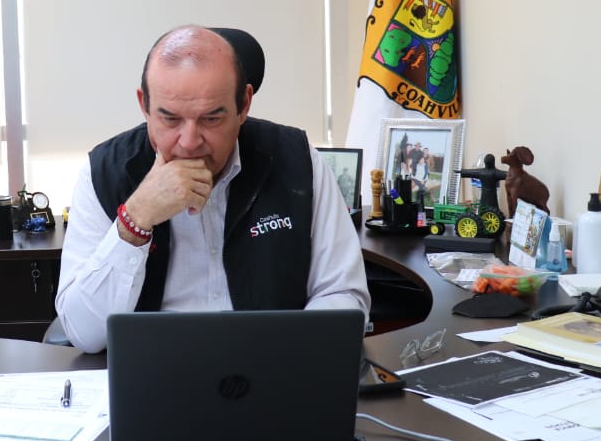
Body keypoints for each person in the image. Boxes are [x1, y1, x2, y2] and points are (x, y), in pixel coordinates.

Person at [56, 25, 370, 353]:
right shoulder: (103, 172)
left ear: (244, 104)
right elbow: (84, 333)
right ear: (144, 105)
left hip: (274, 360)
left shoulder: (297, 160)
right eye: (170, 119)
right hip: (154, 365)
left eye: (211, 119)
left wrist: (287, 354)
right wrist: (135, 220)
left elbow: (343, 295)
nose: (189, 142)